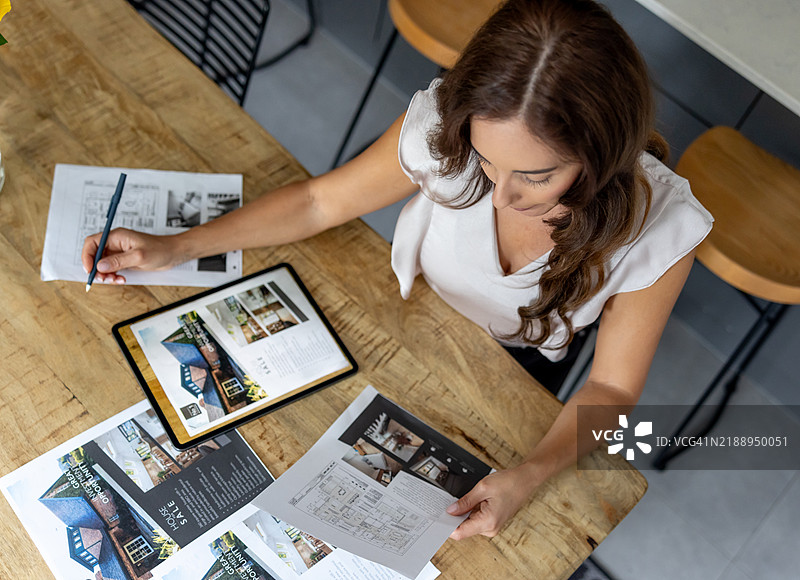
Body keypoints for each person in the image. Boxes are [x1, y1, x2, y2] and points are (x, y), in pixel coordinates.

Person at [82, 0, 712, 540]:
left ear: (601, 153)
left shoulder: (661, 228)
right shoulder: (446, 126)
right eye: (489, 162)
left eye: (538, 177)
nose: (500, 197)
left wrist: (528, 475)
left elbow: (612, 394)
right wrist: (178, 248)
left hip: (516, 358)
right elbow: (318, 200)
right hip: (410, 309)